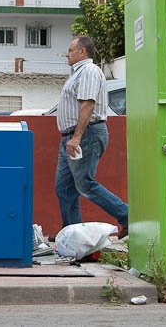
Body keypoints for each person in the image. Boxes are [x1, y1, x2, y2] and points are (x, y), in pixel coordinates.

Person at [55, 35, 128, 239]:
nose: (67, 54)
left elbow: (88, 104)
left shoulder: (88, 71)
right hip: (70, 137)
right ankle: (72, 235)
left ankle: (127, 215)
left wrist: (77, 137)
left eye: (70, 50)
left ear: (82, 52)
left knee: (85, 183)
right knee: (64, 188)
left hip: (84, 134)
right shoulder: (77, 73)